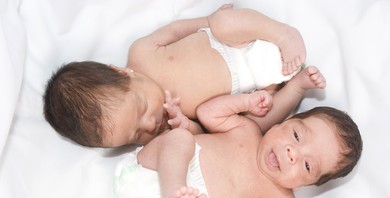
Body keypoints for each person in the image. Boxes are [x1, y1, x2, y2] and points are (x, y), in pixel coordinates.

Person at [111, 66, 376, 198]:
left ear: (310, 185)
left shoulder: (278, 196)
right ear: (284, 121)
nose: (292, 153)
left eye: (307, 166)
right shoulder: (246, 130)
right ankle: (173, 192)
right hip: (153, 171)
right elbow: (206, 113)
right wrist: (245, 102)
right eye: (296, 136)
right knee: (179, 139)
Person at [43, 5, 307, 147]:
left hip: (235, 42)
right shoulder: (166, 128)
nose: (148, 125)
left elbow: (176, 30)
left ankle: (283, 34)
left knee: (224, 22)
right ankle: (295, 87)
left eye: (141, 109)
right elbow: (203, 131)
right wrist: (185, 126)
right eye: (136, 135)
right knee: (254, 128)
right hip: (254, 91)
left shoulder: (141, 52)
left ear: (123, 72)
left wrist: (208, 20)